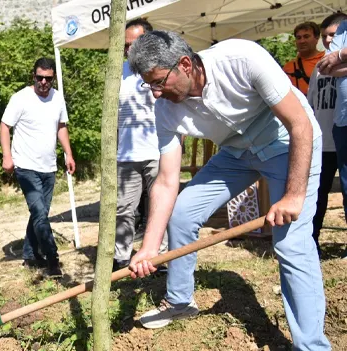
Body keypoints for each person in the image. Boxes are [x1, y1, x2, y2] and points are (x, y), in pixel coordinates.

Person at [127, 30, 329, 350]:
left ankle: (312, 346)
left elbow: (300, 124)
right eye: (147, 84)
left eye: (158, 82)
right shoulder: (165, 109)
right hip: (235, 154)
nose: (154, 93)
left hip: (287, 146)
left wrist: (293, 196)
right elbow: (166, 182)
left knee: (292, 246)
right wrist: (150, 247)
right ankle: (180, 301)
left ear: (185, 64)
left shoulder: (241, 59)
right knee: (182, 214)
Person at [0, 57, 75, 278]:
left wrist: (68, 153)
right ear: (33, 76)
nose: (43, 82)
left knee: (39, 213)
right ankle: (53, 260)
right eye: (39, 77)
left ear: (53, 78)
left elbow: (61, 126)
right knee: (40, 213)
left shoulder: (57, 98)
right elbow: (5, 126)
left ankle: (30, 256)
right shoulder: (21, 98)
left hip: (48, 167)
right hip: (25, 166)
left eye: (48, 78)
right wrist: (7, 155)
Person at [114, 19, 168, 272]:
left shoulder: (159, 71)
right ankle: (121, 259)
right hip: (126, 154)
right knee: (124, 210)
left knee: (161, 207)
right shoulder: (118, 73)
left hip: (157, 151)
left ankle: (163, 257)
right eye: (126, 45)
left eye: (134, 43)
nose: (129, 49)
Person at [307, 13, 347, 258]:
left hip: (341, 134)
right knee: (317, 196)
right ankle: (312, 243)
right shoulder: (319, 70)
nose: (330, 40)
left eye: (334, 35)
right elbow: (310, 105)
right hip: (322, 142)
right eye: (325, 36)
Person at [284, 22, 324, 96]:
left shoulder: (326, 60)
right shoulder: (288, 67)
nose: (302, 41)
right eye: (298, 38)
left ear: (317, 38)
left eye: (306, 36)